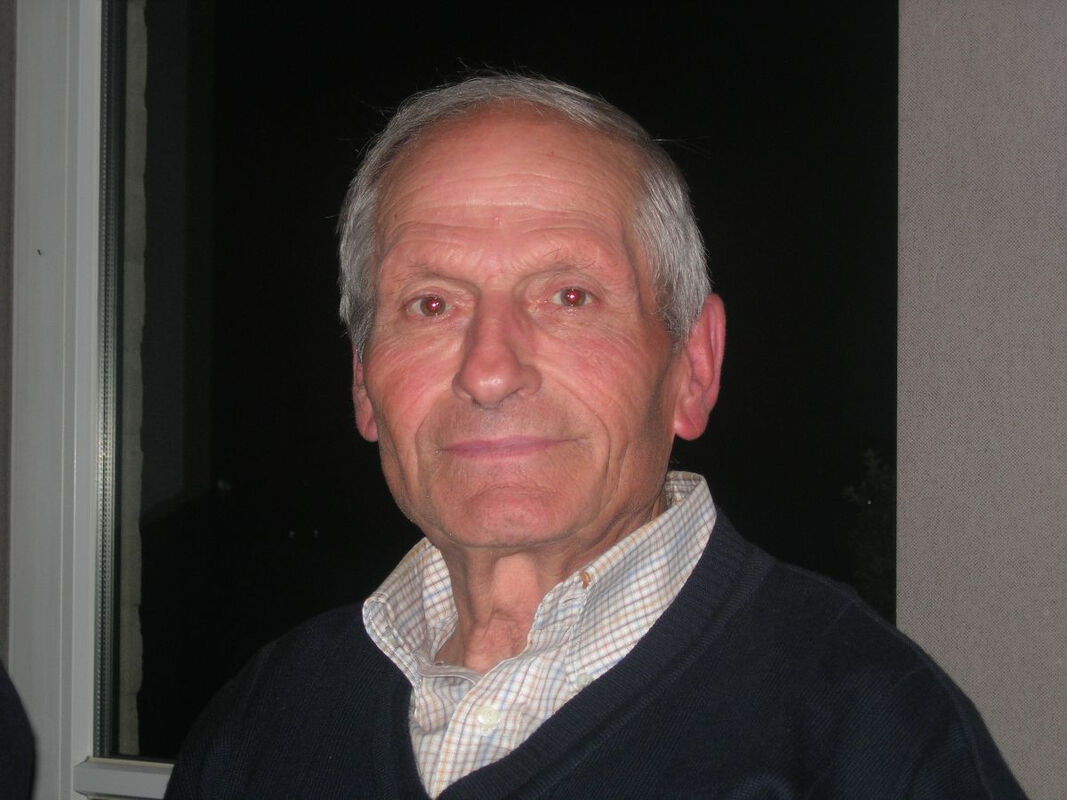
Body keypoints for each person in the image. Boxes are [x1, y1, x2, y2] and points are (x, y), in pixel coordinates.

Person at [166, 75, 1026, 799]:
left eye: (568, 296)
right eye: (430, 304)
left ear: (692, 365)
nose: (489, 371)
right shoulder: (261, 722)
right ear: (364, 382)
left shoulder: (873, 735)